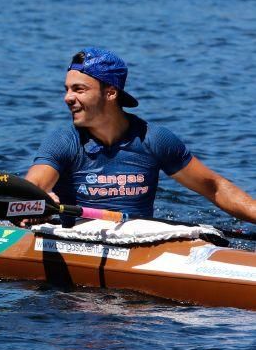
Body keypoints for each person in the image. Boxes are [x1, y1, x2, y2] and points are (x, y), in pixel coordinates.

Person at [26, 47, 256, 223]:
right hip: (75, 241)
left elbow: (214, 187)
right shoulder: (64, 141)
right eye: (67, 89)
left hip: (140, 242)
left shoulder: (153, 139)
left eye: (79, 89)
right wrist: (36, 199)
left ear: (110, 93)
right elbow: (36, 183)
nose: (67, 98)